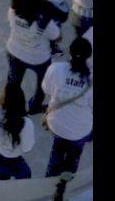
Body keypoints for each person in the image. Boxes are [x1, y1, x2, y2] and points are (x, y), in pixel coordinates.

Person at [42, 37, 93, 200]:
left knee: (57, 149)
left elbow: (47, 89)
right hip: (81, 130)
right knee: (74, 155)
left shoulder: (56, 69)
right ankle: (64, 183)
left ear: (69, 52)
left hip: (57, 124)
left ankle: (49, 181)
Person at [6, 0, 61, 114]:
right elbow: (55, 35)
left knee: (14, 82)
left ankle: (12, 105)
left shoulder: (13, 9)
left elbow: (11, 23)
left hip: (15, 51)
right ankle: (35, 106)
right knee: (41, 85)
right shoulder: (43, 17)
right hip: (38, 58)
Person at [0, 83, 35, 180]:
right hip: (12, 158)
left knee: (3, 173)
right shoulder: (26, 123)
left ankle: (3, 177)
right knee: (26, 175)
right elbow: (27, 148)